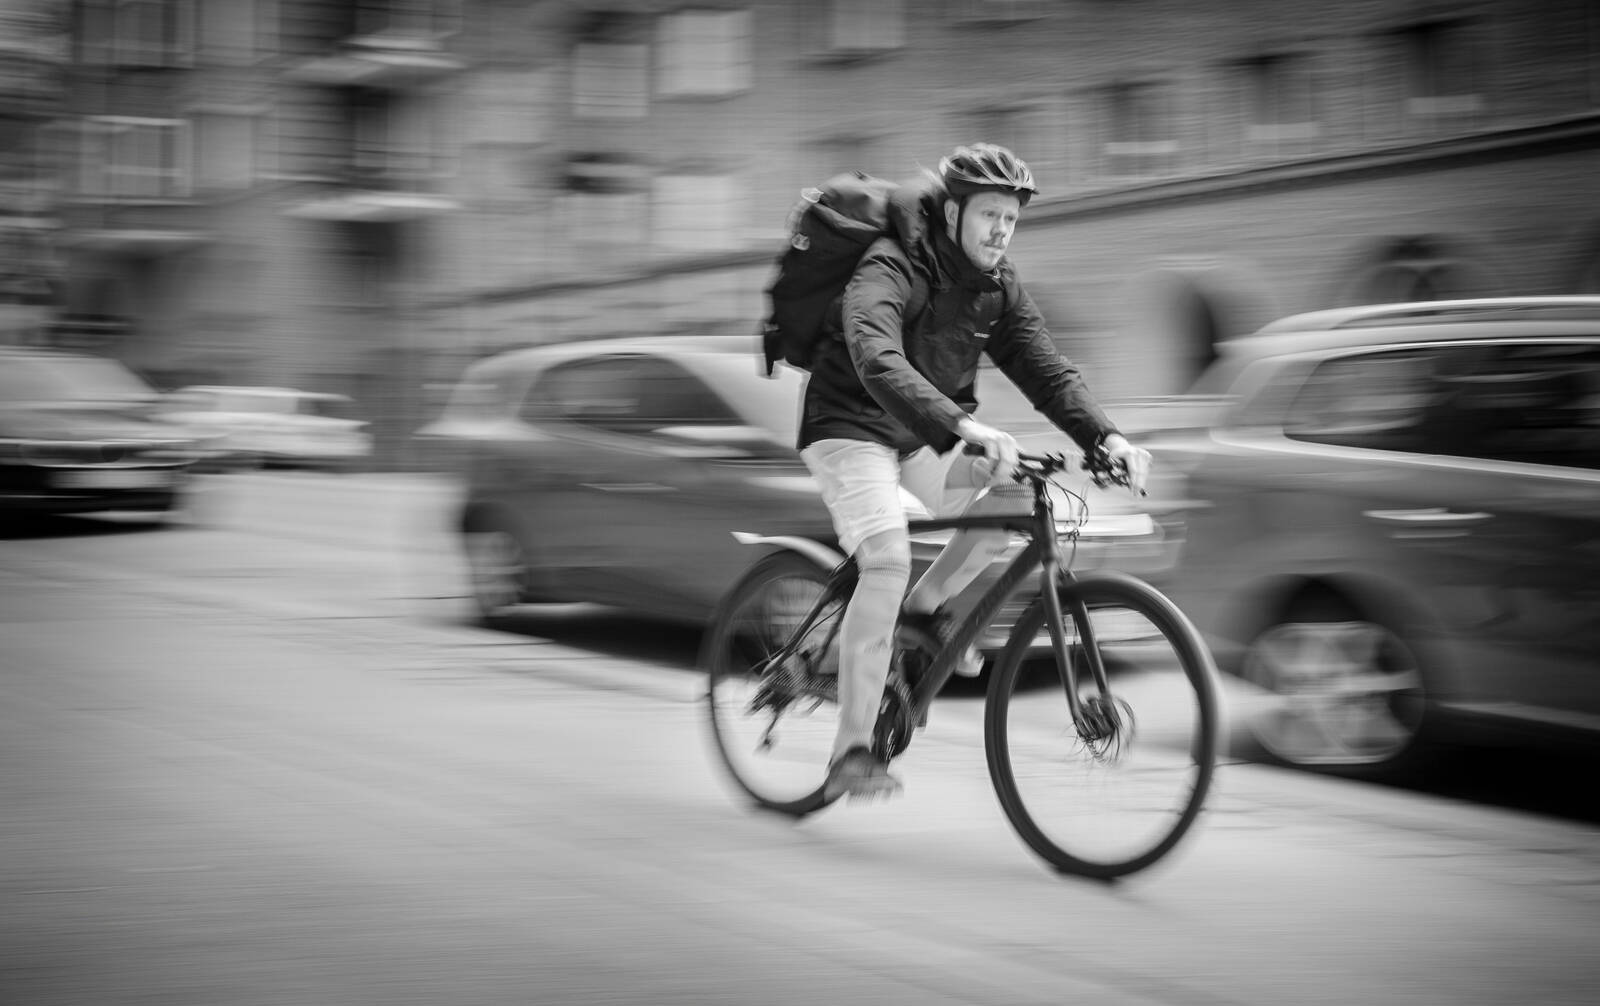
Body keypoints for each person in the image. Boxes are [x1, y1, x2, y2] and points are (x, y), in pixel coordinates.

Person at [796, 142, 1151, 801]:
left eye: (1011, 219)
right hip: (848, 425)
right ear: (954, 211)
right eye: (990, 214)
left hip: (923, 436)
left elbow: (1046, 370)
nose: (1000, 231)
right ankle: (851, 751)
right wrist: (964, 427)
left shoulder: (996, 286)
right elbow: (874, 354)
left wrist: (1108, 437)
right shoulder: (892, 262)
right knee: (886, 560)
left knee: (1012, 498)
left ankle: (922, 615)